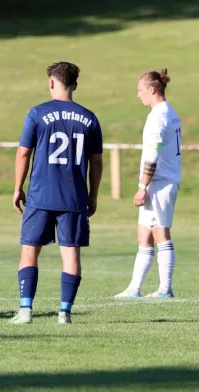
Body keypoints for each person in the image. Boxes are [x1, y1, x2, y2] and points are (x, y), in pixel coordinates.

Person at [9, 61, 103, 324]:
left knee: (30, 250)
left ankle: (26, 311)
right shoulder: (89, 118)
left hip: (40, 194)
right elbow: (96, 162)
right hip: (74, 197)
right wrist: (93, 195)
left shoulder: (37, 113)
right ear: (74, 84)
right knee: (70, 253)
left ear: (52, 82)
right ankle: (64, 313)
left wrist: (18, 187)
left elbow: (23, 153)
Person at [114, 69, 181, 299]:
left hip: (160, 182)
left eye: (140, 90)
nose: (138, 95)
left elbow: (153, 154)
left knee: (160, 232)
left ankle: (165, 289)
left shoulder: (158, 116)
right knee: (144, 235)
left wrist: (143, 187)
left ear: (152, 90)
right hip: (161, 181)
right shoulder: (169, 112)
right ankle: (134, 288)